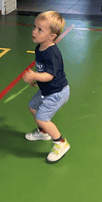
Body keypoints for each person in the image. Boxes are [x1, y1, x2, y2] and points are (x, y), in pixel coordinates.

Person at [22, 11, 70, 162]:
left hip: (56, 92)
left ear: (52, 36)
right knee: (32, 107)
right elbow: (44, 70)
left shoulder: (52, 53)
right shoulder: (39, 47)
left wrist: (35, 76)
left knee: (42, 118)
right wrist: (37, 80)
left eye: (40, 29)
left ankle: (60, 142)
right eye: (34, 27)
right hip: (46, 89)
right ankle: (43, 132)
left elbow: (50, 75)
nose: (34, 31)